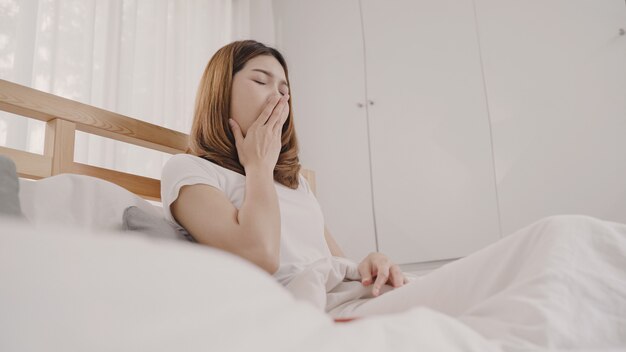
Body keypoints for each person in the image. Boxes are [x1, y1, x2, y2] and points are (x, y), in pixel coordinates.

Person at [160, 41, 626, 350]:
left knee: (555, 246)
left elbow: (335, 264)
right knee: (557, 242)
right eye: (261, 81)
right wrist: (256, 165)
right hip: (309, 309)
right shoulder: (188, 171)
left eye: (286, 89)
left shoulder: (294, 183)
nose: (279, 98)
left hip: (347, 296)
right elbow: (259, 254)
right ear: (221, 92)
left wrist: (372, 262)